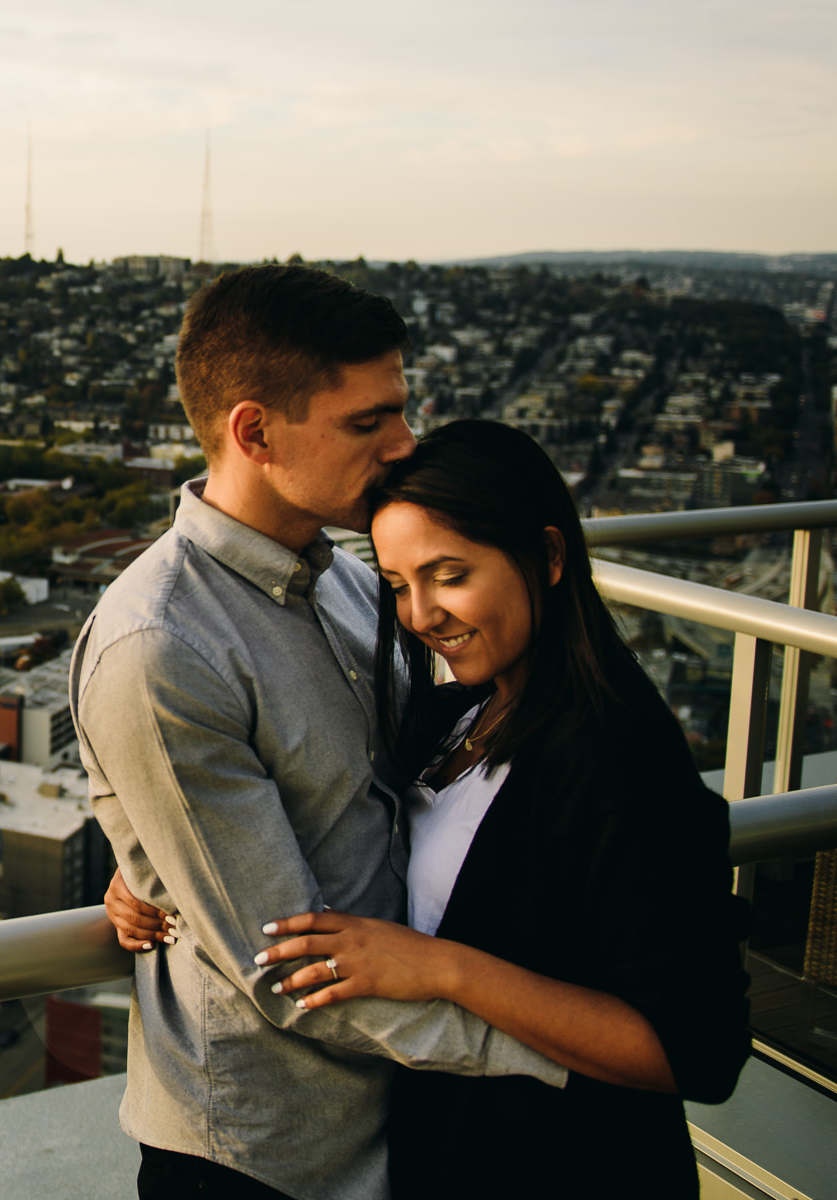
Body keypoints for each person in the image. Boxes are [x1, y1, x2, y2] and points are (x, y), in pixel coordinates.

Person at [71, 266, 567, 1200]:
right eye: (367, 422)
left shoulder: (348, 577)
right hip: (267, 1156)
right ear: (254, 431)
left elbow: (403, 792)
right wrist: (571, 1046)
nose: (405, 443)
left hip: (414, 1124)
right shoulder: (163, 649)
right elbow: (283, 968)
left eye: (400, 411)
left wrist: (155, 857)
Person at [245, 419, 751, 1196]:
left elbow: (694, 1052)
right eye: (398, 585)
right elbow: (329, 811)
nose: (420, 615)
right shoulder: (461, 714)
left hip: (573, 1169)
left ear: (548, 557)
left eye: (450, 575)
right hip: (455, 1155)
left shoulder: (615, 753)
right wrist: (152, 881)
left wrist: (441, 969)